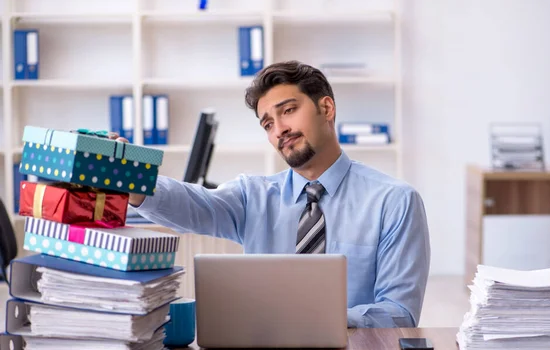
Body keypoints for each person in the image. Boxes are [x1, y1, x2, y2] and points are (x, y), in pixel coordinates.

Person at [121, 60, 431, 328]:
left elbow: (399, 314)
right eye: (268, 123)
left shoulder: (395, 202)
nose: (279, 129)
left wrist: (321, 320)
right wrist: (135, 180)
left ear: (326, 108)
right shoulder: (253, 196)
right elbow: (195, 205)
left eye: (289, 111)